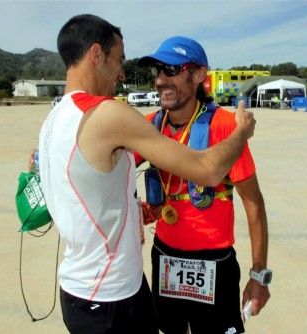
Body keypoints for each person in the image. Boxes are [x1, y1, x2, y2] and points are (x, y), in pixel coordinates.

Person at [37, 16, 256, 334]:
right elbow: (209, 170)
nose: (123, 72)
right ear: (96, 55)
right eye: (119, 59)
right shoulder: (109, 114)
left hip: (84, 290)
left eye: (172, 70)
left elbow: (87, 182)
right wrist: (243, 132)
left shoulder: (54, 118)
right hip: (111, 298)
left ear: (199, 76)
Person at [136, 36, 270, 334]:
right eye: (157, 70)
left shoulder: (224, 126)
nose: (160, 80)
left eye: (171, 70)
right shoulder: (147, 128)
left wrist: (259, 276)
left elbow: (253, 202)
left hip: (214, 263)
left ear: (198, 75)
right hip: (165, 258)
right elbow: (105, 158)